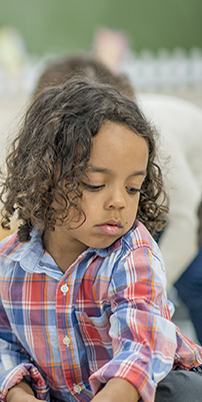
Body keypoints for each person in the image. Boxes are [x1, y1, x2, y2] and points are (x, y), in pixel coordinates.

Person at [0, 78, 202, 402]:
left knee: (190, 401)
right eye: (95, 184)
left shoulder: (135, 251)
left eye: (133, 188)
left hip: (137, 399)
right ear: (46, 181)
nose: (118, 200)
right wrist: (20, 400)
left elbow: (143, 344)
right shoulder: (7, 261)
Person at [33, 54, 202, 341]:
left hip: (189, 208)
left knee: (194, 280)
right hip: (172, 208)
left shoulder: (143, 137)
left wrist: (141, 289)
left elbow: (185, 227)